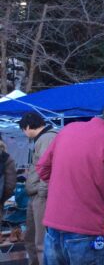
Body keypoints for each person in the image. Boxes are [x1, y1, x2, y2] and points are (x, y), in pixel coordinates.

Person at [37, 96, 104, 265]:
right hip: (86, 228)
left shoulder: (68, 130)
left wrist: (63, 187)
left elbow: (42, 168)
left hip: (53, 225)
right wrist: (101, 201)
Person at [18, 112, 56, 265]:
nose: (24, 133)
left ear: (28, 126)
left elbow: (49, 167)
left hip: (41, 196)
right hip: (35, 194)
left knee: (41, 240)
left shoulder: (47, 138)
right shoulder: (44, 138)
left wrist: (42, 191)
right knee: (31, 237)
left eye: (23, 129)